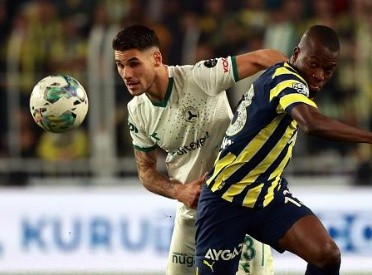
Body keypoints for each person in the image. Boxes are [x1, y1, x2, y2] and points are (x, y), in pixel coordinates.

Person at [195, 24, 372, 275]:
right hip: (226, 199)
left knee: (326, 255)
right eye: (313, 64)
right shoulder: (286, 79)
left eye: (329, 69)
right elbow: (312, 123)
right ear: (295, 53)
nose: (320, 75)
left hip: (267, 196)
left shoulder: (288, 80)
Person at [112, 24, 288, 275]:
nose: (126, 73)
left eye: (134, 63)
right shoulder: (136, 111)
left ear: (157, 59)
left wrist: (297, 90)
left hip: (237, 205)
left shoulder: (199, 78)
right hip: (191, 211)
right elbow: (146, 172)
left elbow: (265, 57)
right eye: (120, 65)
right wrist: (179, 191)